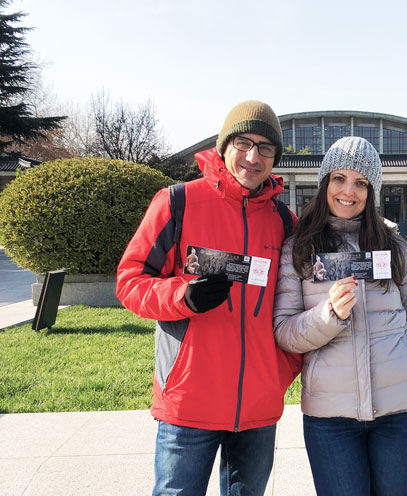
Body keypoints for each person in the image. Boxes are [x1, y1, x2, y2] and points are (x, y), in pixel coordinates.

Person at [116, 100, 301, 496]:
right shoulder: (177, 202)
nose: (253, 157)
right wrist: (183, 295)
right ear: (223, 145)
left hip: (258, 407)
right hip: (189, 403)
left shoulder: (285, 222)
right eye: (243, 142)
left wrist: (278, 373)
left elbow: (301, 302)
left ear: (275, 158)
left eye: (266, 148)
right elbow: (130, 281)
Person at [273, 136, 407, 496]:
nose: (348, 191)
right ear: (325, 182)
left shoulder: (393, 245)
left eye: (361, 183)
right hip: (331, 418)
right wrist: (328, 315)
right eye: (339, 178)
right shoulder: (298, 248)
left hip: (406, 409)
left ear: (371, 191)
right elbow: (284, 331)